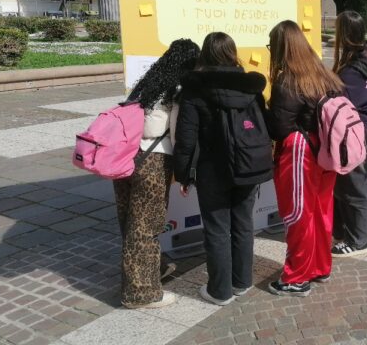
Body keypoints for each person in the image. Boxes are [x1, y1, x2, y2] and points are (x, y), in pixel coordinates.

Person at [173, 32, 270, 306]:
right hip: (248, 166)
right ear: (232, 53)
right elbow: (263, 124)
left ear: (205, 54)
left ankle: (219, 291)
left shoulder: (195, 88)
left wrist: (183, 174)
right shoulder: (251, 87)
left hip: (212, 170)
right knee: (243, 224)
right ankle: (242, 281)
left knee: (217, 229)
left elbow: (186, 137)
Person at [112, 39, 199, 309]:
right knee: (145, 227)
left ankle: (151, 270)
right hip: (153, 161)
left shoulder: (146, 84)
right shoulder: (178, 90)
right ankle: (141, 293)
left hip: (125, 157)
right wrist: (185, 173)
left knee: (131, 223)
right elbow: (178, 135)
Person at [267, 20, 344, 296]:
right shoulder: (323, 73)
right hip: (326, 149)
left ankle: (296, 277)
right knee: (321, 211)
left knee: (298, 213)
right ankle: (320, 267)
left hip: (300, 152)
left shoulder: (288, 79)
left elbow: (279, 127)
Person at [330, 11, 367, 257]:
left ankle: (359, 241)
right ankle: (345, 231)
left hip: (355, 131)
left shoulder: (351, 67)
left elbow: (340, 100)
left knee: (355, 186)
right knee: (349, 183)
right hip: (365, 127)